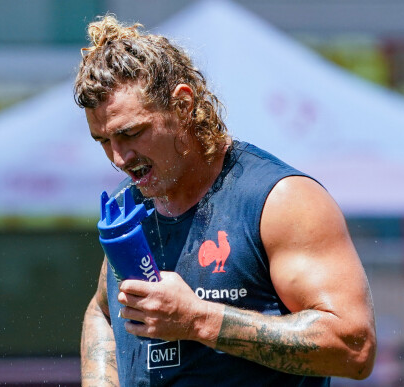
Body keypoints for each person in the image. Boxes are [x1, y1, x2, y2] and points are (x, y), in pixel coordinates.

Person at [74, 15, 376, 387]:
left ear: (182, 105)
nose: (119, 159)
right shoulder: (130, 205)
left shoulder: (278, 199)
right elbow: (102, 313)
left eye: (132, 133)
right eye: (103, 141)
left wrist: (198, 319)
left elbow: (353, 348)